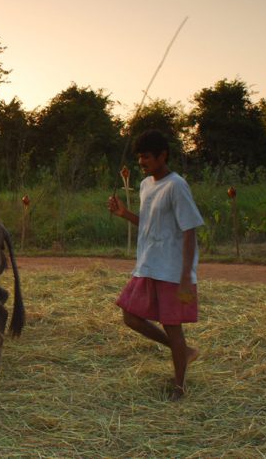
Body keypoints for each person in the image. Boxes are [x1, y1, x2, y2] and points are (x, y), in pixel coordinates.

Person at [108, 129, 204, 401]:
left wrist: (186, 276)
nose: (142, 162)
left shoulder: (177, 185)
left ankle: (179, 387)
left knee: (173, 327)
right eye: (139, 157)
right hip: (148, 264)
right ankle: (184, 351)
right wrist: (125, 214)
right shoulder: (145, 185)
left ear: (163, 155)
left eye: (147, 156)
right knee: (131, 316)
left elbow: (189, 230)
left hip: (172, 270)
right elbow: (150, 224)